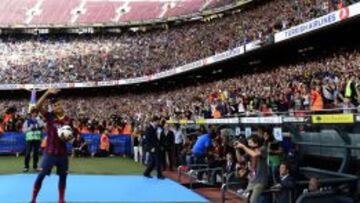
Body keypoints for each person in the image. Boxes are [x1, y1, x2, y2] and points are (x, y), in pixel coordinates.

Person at [31, 88, 73, 203]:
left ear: (62, 105)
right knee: (41, 176)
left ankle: (61, 200)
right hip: (49, 153)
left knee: (63, 177)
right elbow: (37, 106)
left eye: (59, 104)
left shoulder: (68, 120)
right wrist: (47, 92)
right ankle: (33, 199)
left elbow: (72, 137)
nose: (57, 107)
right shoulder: (49, 116)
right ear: (52, 108)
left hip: (63, 155)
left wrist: (69, 138)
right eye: (55, 105)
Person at [235, 135, 268, 203]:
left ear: (256, 143)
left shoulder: (263, 148)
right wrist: (237, 149)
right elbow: (240, 159)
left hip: (260, 181)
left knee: (253, 200)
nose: (248, 144)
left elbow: (255, 154)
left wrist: (243, 146)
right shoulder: (250, 151)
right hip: (252, 180)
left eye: (250, 142)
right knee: (245, 198)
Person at [23, 108, 44, 172]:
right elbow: (24, 130)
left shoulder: (39, 120)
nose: (35, 114)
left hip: (37, 139)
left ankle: (35, 166)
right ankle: (26, 167)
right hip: (29, 139)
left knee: (36, 154)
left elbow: (42, 126)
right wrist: (30, 128)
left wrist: (39, 121)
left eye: (36, 113)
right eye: (34, 112)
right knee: (28, 153)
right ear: (31, 113)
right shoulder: (27, 121)